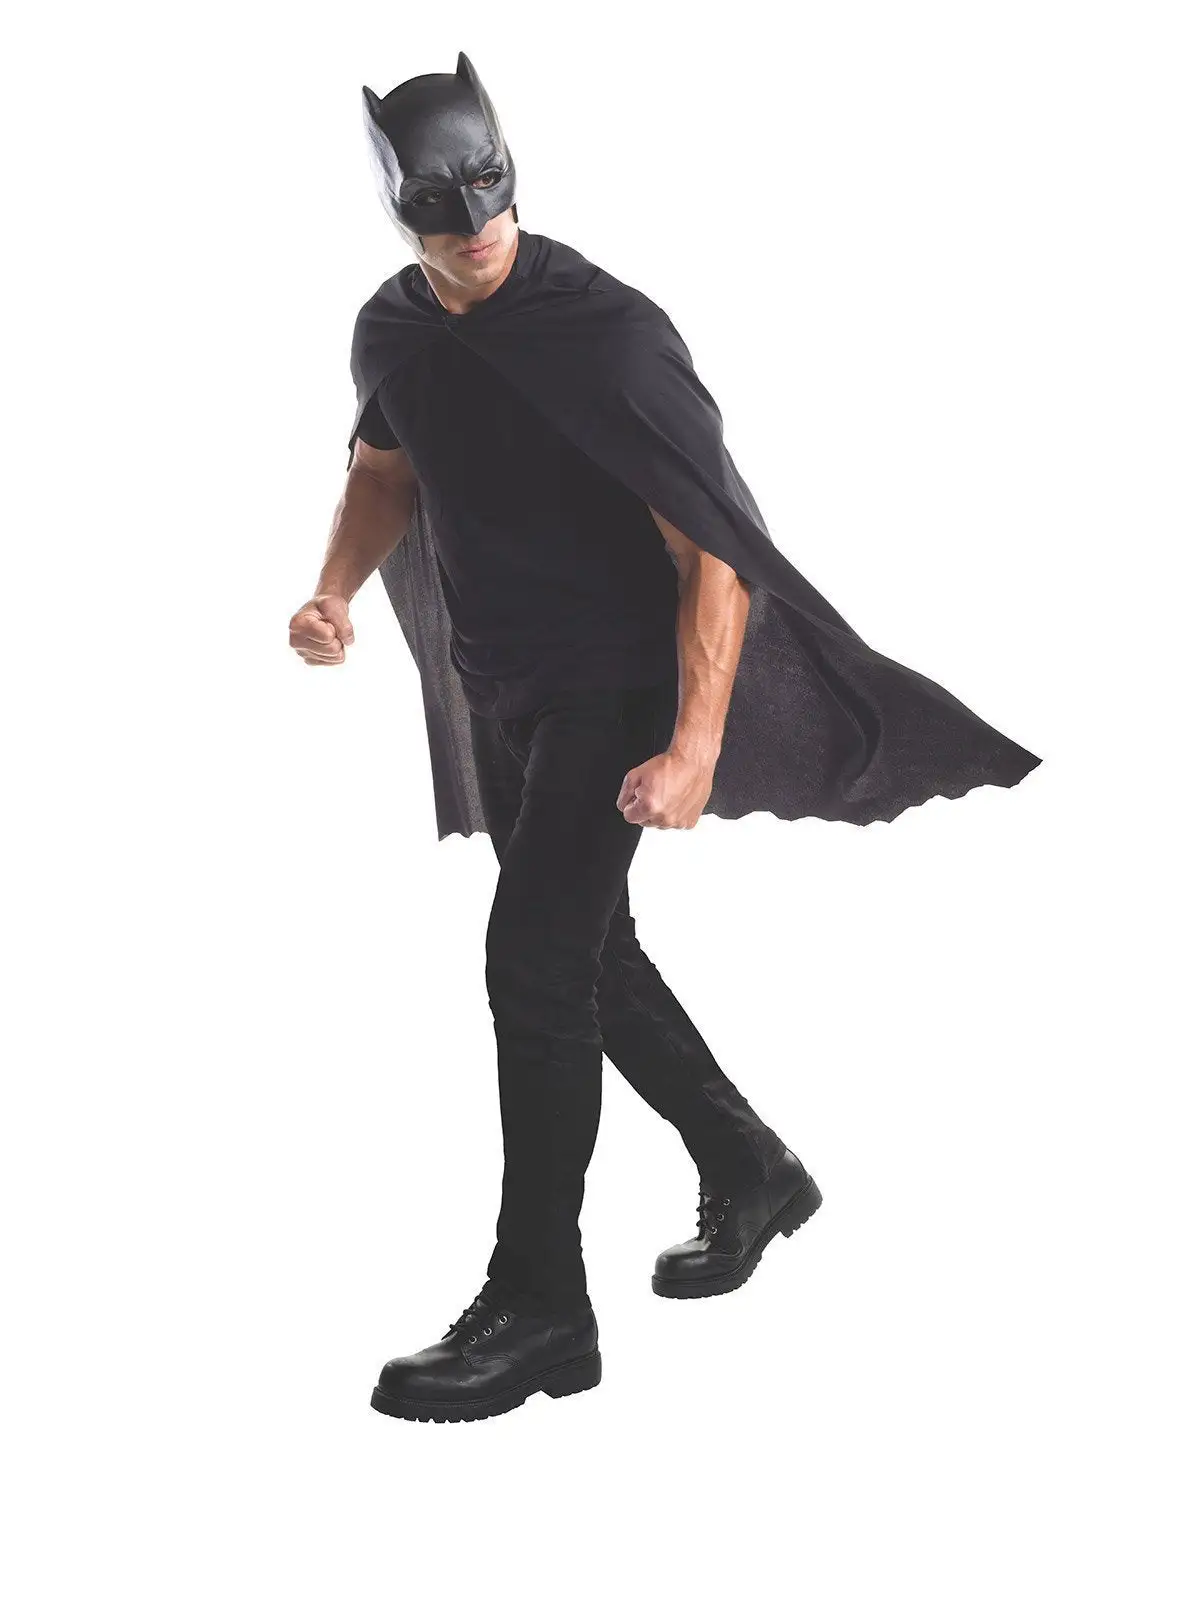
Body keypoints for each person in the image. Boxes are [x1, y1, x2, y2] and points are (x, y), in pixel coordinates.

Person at [288, 53, 1039, 1425]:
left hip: (617, 683)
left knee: (531, 961)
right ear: (397, 206)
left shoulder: (610, 335)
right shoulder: (391, 330)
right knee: (591, 955)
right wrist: (334, 590)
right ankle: (752, 1167)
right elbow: (384, 471)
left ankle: (539, 1307)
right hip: (504, 685)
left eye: (490, 186)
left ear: (511, 165)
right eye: (441, 204)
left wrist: (694, 744)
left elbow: (711, 550)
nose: (476, 222)